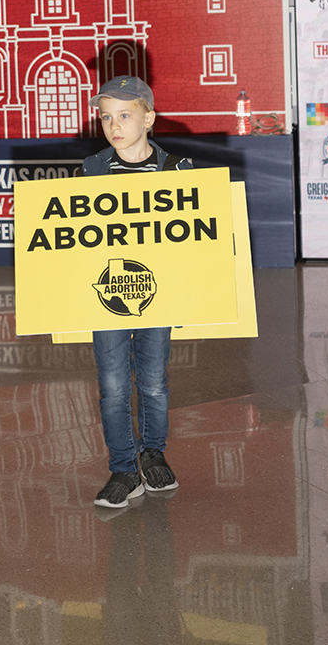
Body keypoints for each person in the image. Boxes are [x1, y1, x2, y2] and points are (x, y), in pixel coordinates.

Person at [82, 76, 192, 509]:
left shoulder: (177, 169)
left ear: (148, 117)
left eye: (124, 115)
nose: (114, 125)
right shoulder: (91, 169)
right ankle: (124, 468)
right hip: (107, 295)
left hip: (157, 294)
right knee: (111, 385)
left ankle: (153, 454)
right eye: (106, 117)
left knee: (152, 381)